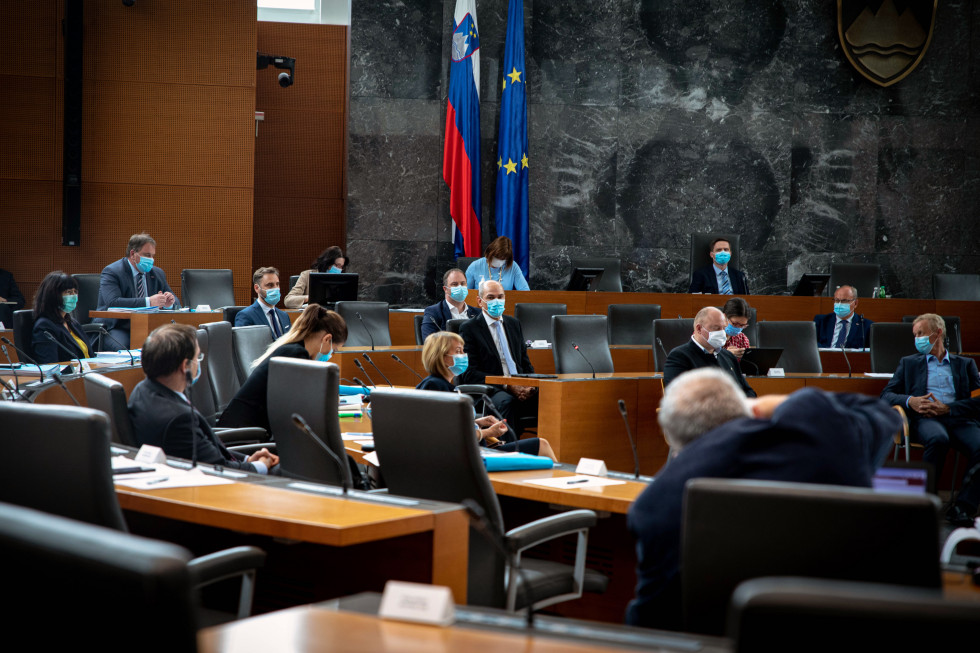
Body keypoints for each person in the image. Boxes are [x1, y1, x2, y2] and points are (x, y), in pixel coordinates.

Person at [627, 368, 900, 631]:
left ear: (674, 444)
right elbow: (882, 413)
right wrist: (784, 403)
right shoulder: (824, 435)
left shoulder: (655, 504)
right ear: (750, 410)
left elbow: (651, 620)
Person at [128, 323, 277, 473]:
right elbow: (219, 470)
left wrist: (246, 459)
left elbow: (208, 451)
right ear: (185, 366)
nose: (199, 362)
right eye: (197, 357)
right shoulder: (179, 419)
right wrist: (261, 465)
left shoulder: (142, 390)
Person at [880, 313, 980, 526]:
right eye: (915, 334)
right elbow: (886, 395)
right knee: (938, 438)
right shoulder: (908, 363)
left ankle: (963, 507)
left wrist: (949, 408)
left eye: (921, 333)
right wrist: (911, 401)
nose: (917, 339)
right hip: (926, 420)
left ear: (938, 333)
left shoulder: (965, 364)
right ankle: (925, 502)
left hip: (958, 419)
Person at [418, 331, 555, 459]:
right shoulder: (435, 386)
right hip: (469, 457)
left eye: (463, 350)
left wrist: (478, 422)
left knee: (540, 445)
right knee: (541, 445)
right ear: (441, 357)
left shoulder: (443, 385)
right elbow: (448, 434)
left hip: (475, 451)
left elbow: (451, 423)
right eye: (458, 351)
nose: (464, 355)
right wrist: (488, 433)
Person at [218, 303, 348, 432]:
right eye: (334, 349)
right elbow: (298, 406)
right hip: (245, 435)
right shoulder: (294, 355)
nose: (332, 354)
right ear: (327, 339)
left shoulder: (293, 350)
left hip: (249, 430)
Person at [457, 280, 538, 434]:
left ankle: (544, 449)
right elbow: (470, 374)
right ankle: (507, 452)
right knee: (507, 402)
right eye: (491, 297)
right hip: (491, 391)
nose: (497, 301)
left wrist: (529, 386)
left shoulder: (514, 324)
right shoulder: (469, 329)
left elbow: (525, 364)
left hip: (519, 385)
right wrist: (507, 386)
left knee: (550, 398)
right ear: (480, 301)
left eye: (500, 297)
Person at [95, 233, 179, 349]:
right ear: (133, 254)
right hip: (117, 326)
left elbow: (177, 302)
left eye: (152, 256)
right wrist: (149, 302)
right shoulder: (112, 271)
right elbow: (113, 302)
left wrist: (169, 303)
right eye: (147, 255)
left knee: (173, 345)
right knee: (124, 350)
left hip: (148, 326)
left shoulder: (157, 273)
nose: (151, 259)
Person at [663, 306, 756, 397]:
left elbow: (748, 391)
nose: (722, 333)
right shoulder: (679, 356)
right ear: (699, 329)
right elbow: (679, 397)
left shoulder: (728, 356)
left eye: (723, 328)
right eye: (716, 328)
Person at [31, 271, 94, 364]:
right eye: (68, 292)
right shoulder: (44, 326)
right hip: (69, 376)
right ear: (53, 295)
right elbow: (49, 364)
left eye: (75, 292)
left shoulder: (73, 323)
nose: (73, 296)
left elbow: (89, 354)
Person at [421, 268, 480, 341]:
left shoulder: (478, 313)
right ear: (445, 289)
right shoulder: (433, 312)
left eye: (462, 283)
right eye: (454, 284)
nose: (460, 287)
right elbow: (429, 342)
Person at [235, 266, 291, 338]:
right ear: (257, 288)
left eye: (277, 284)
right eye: (270, 285)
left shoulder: (284, 316)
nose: (276, 288)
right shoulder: (246, 316)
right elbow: (246, 346)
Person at [464, 236, 530, 291]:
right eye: (497, 257)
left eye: (503, 259)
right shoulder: (475, 266)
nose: (499, 261)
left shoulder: (513, 266)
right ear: (490, 253)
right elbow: (466, 293)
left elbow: (525, 291)